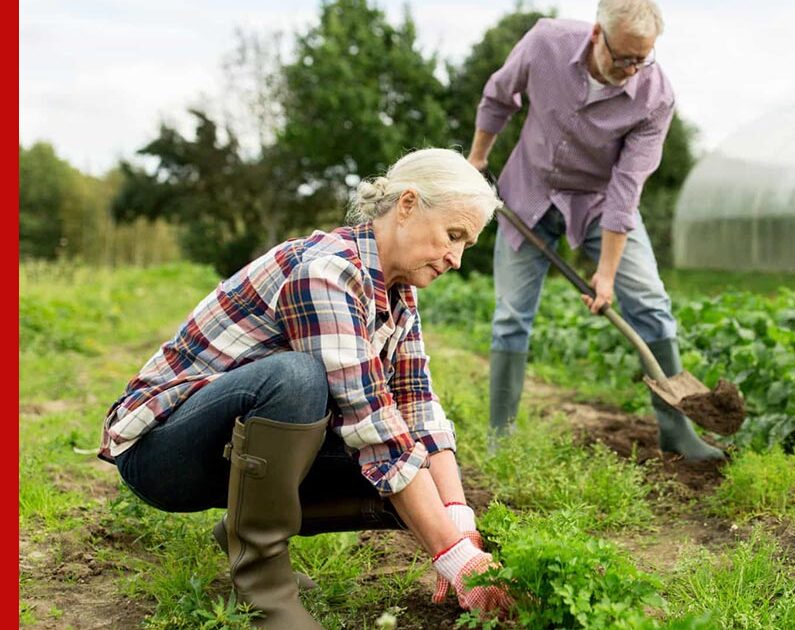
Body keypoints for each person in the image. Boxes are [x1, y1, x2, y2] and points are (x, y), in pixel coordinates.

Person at [98, 149, 513, 628]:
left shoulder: (399, 292)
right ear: (407, 205)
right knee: (298, 379)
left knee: (420, 484)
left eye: (467, 244)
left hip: (231, 449)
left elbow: (417, 405)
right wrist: (452, 557)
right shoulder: (327, 271)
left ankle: (246, 530)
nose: (457, 259)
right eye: (453, 235)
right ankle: (264, 586)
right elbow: (373, 424)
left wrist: (458, 522)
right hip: (162, 453)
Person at [467, 0, 723, 460]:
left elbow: (627, 189)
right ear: (595, 36)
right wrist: (476, 161)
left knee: (649, 302)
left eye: (640, 59)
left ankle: (677, 431)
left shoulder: (655, 97)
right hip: (530, 190)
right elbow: (499, 96)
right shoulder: (545, 43)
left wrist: (606, 272)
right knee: (511, 317)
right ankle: (499, 439)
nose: (629, 69)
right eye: (621, 56)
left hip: (600, 202)